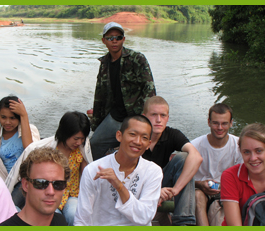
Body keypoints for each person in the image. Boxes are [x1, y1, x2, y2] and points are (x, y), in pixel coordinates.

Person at [5, 111, 92, 225]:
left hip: (71, 195)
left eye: (82, 139)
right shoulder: (45, 150)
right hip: (47, 194)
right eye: (76, 138)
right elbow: (17, 175)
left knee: (73, 213)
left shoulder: (81, 150)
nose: (79, 142)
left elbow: (87, 176)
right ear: (65, 133)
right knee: (52, 216)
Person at [74, 115, 162, 226]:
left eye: (144, 138)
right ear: (119, 136)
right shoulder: (93, 170)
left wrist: (119, 186)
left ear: (148, 144)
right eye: (132, 134)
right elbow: (82, 220)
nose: (138, 141)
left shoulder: (153, 171)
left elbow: (145, 217)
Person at [90, 21, 156, 161]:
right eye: (110, 38)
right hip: (115, 116)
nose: (114, 41)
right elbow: (99, 96)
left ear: (123, 39)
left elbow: (149, 89)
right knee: (94, 143)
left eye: (118, 37)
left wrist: (142, 118)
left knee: (135, 148)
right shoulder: (104, 65)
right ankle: (101, 175)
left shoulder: (137, 59)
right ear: (104, 41)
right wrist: (96, 123)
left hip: (136, 116)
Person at [142, 96, 203, 226]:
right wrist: (154, 191)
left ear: (168, 118)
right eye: (153, 115)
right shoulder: (137, 136)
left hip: (164, 183)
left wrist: (175, 189)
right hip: (140, 185)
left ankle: (184, 223)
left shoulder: (172, 134)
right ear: (144, 116)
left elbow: (196, 157)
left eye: (163, 115)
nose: (158, 120)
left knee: (184, 158)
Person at [0, 96, 40, 209]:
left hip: (23, 180)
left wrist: (24, 115)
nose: (7, 122)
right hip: (3, 181)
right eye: (3, 117)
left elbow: (30, 150)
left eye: (12, 118)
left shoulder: (30, 130)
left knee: (9, 207)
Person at [191, 103, 243, 226]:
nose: (220, 128)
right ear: (209, 122)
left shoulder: (240, 146)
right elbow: (179, 178)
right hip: (202, 191)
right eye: (215, 123)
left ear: (231, 123)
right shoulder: (194, 146)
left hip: (227, 192)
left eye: (224, 123)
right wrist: (200, 184)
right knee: (198, 195)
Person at [0, 147, 69, 226]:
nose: (51, 192)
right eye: (41, 183)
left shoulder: (60, 221)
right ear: (25, 185)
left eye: (58, 184)